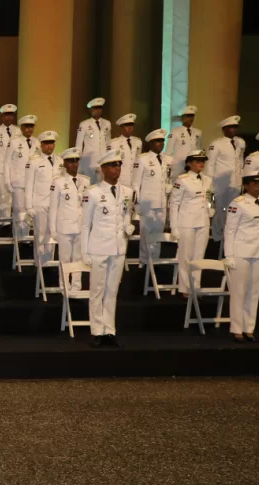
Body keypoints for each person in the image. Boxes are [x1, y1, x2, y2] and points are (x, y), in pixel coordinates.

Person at [81, 149, 135, 347]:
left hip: (118, 247)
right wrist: (84, 251)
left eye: (119, 165)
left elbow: (125, 213)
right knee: (97, 290)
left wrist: (128, 225)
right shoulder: (93, 193)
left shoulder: (127, 192)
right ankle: (97, 330)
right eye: (112, 165)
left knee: (112, 290)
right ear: (103, 169)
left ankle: (109, 330)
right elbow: (85, 225)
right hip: (99, 247)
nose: (116, 169)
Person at [223, 167, 259, 343]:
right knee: (238, 291)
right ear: (246, 185)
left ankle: (249, 327)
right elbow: (230, 230)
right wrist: (229, 255)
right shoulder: (238, 203)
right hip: (241, 252)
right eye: (255, 184)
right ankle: (237, 328)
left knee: (254, 291)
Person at [170, 149, 213, 298]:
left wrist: (210, 208)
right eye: (198, 161)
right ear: (189, 163)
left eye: (203, 161)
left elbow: (208, 198)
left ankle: (196, 286)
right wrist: (174, 226)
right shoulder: (182, 180)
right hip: (186, 222)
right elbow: (174, 204)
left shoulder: (207, 179)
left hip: (203, 221)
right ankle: (185, 288)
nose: (201, 163)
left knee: (199, 256)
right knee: (186, 256)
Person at [49, 147, 90, 290]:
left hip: (80, 225)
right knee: (65, 259)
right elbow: (53, 207)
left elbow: (87, 206)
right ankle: (64, 287)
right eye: (71, 161)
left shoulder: (85, 181)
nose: (74, 164)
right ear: (65, 164)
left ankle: (76, 286)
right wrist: (53, 230)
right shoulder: (58, 182)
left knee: (78, 258)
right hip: (65, 227)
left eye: (76, 161)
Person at [131, 129, 174, 264]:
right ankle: (145, 261)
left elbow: (169, 179)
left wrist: (170, 186)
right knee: (146, 233)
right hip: (147, 203)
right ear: (150, 143)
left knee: (158, 233)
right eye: (157, 141)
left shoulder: (168, 159)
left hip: (162, 202)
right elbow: (135, 184)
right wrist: (136, 204)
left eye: (162, 141)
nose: (160, 144)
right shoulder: (142, 159)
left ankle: (155, 261)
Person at [24, 130, 62, 266]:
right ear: (41, 145)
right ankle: (40, 265)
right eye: (46, 143)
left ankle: (49, 263)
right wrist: (29, 206)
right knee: (41, 235)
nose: (49, 146)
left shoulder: (61, 160)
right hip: (40, 204)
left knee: (53, 234)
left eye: (51, 143)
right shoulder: (34, 161)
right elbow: (28, 184)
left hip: (56, 203)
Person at [207, 116, 245, 241]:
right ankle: (217, 236)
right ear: (224, 129)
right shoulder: (217, 144)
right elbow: (210, 164)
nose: (234, 130)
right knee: (220, 210)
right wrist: (209, 184)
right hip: (220, 183)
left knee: (233, 210)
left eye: (235, 127)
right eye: (231, 128)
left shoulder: (240, 142)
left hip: (235, 182)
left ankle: (230, 236)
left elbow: (240, 162)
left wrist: (241, 179)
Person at [4, 115, 39, 238]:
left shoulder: (37, 142)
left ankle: (26, 237)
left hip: (33, 183)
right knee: (19, 210)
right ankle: (18, 238)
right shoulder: (14, 142)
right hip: (18, 182)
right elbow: (7, 162)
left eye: (31, 126)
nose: (29, 129)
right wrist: (7, 181)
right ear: (22, 128)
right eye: (26, 127)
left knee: (30, 210)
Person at [0, 104, 20, 220]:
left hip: (13, 170)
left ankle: (11, 221)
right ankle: (2, 222)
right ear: (2, 117)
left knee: (13, 197)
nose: (9, 118)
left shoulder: (18, 131)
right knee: (1, 197)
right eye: (6, 115)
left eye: (11, 115)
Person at [76, 98, 112, 182]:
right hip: (89, 161)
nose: (97, 111)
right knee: (89, 184)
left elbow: (108, 143)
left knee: (102, 185)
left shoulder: (107, 123)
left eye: (99, 108)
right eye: (95, 108)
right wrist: (78, 161)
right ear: (91, 110)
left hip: (103, 160)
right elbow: (79, 145)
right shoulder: (84, 124)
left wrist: (109, 158)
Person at [166, 105, 202, 178]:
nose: (190, 119)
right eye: (188, 116)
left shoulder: (198, 132)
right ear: (183, 118)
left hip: (192, 165)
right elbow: (168, 152)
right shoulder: (175, 131)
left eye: (192, 116)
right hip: (178, 165)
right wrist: (168, 166)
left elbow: (198, 149)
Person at [108, 114, 141, 187]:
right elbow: (111, 165)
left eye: (132, 125)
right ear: (121, 127)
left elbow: (138, 162)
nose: (130, 128)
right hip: (121, 180)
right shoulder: (114, 143)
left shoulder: (138, 142)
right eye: (127, 126)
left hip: (135, 180)